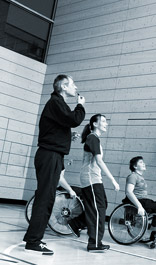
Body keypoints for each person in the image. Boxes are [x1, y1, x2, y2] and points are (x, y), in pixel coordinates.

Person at [23, 74, 85, 255]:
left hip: (52, 155)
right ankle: (34, 241)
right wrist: (80, 105)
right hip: (49, 155)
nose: (75, 87)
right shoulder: (56, 102)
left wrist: (68, 136)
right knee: (45, 198)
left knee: (47, 197)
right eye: (73, 84)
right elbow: (74, 119)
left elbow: (59, 126)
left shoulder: (58, 104)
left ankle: (32, 238)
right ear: (64, 86)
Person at [78, 114, 121, 252]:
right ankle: (94, 243)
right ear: (95, 124)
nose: (106, 124)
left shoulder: (94, 139)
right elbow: (99, 161)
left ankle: (76, 223)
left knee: (102, 205)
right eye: (103, 121)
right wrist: (113, 180)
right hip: (91, 179)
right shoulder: (92, 138)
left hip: (93, 179)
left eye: (106, 121)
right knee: (98, 209)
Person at [123, 156, 156, 244]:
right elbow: (128, 192)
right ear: (135, 166)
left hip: (144, 200)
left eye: (143, 162)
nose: (144, 164)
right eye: (141, 162)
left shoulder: (140, 177)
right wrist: (139, 206)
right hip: (138, 201)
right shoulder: (133, 176)